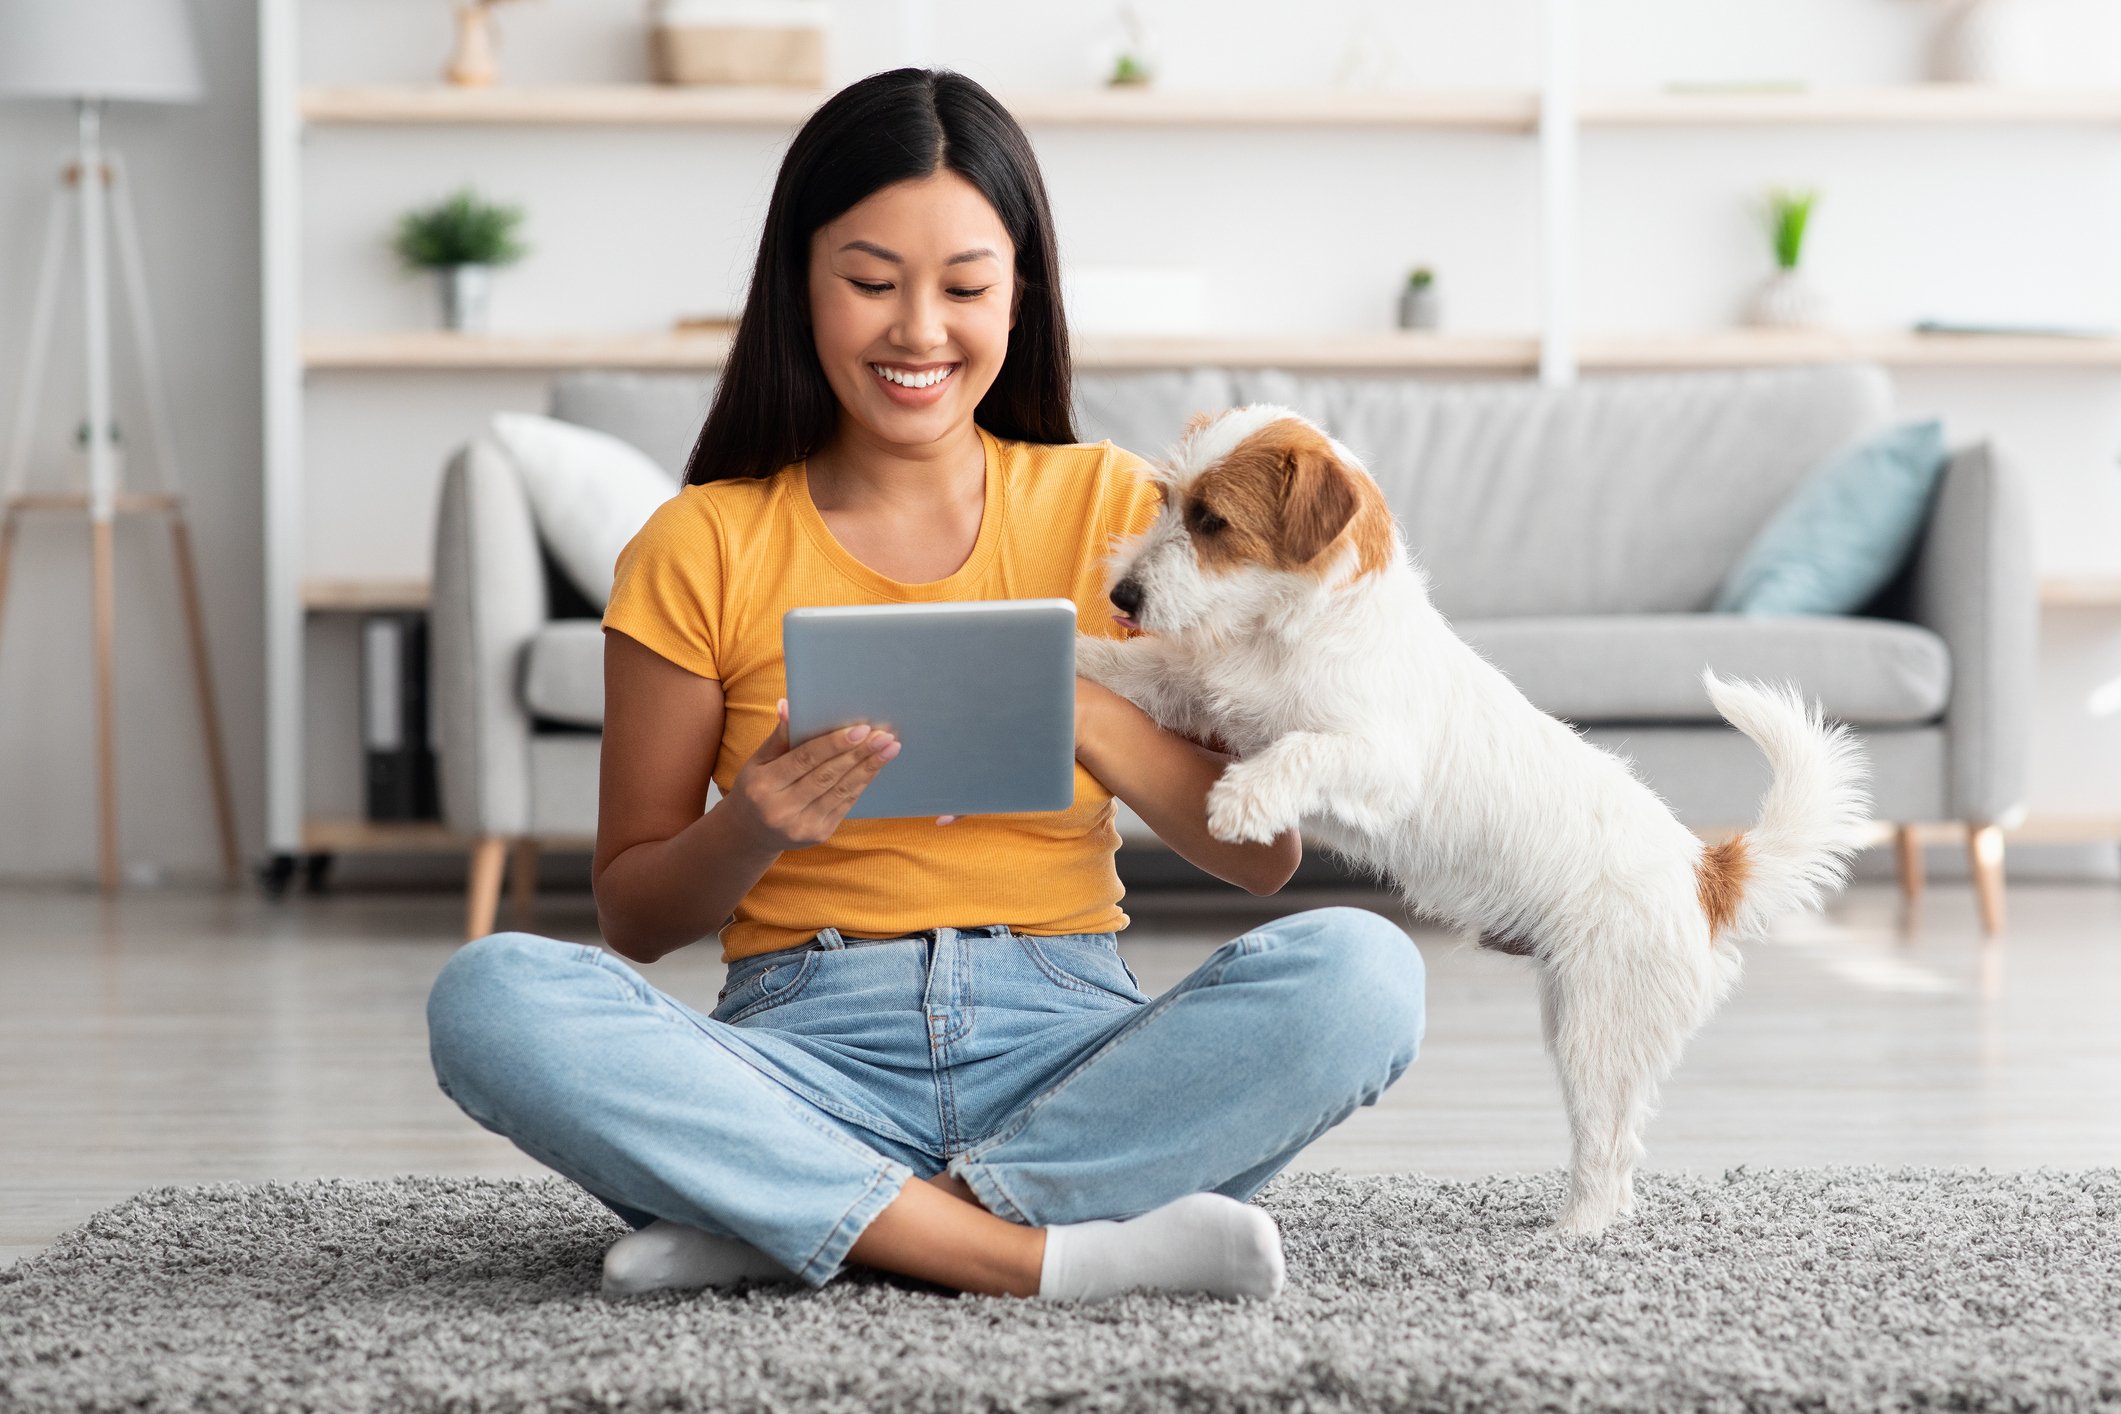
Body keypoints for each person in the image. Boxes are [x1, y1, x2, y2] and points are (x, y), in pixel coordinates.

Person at [424, 67, 1425, 1305]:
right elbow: (633, 915)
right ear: (800, 283)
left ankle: (798, 1218)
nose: (918, 330)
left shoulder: (1127, 515)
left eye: (963, 286)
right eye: (869, 281)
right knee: (492, 994)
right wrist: (754, 823)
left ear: (1020, 293)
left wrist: (1087, 716)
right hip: (801, 1048)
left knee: (1364, 972)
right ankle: (1022, 1249)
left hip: (1068, 1037)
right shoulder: (699, 543)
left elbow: (1261, 857)